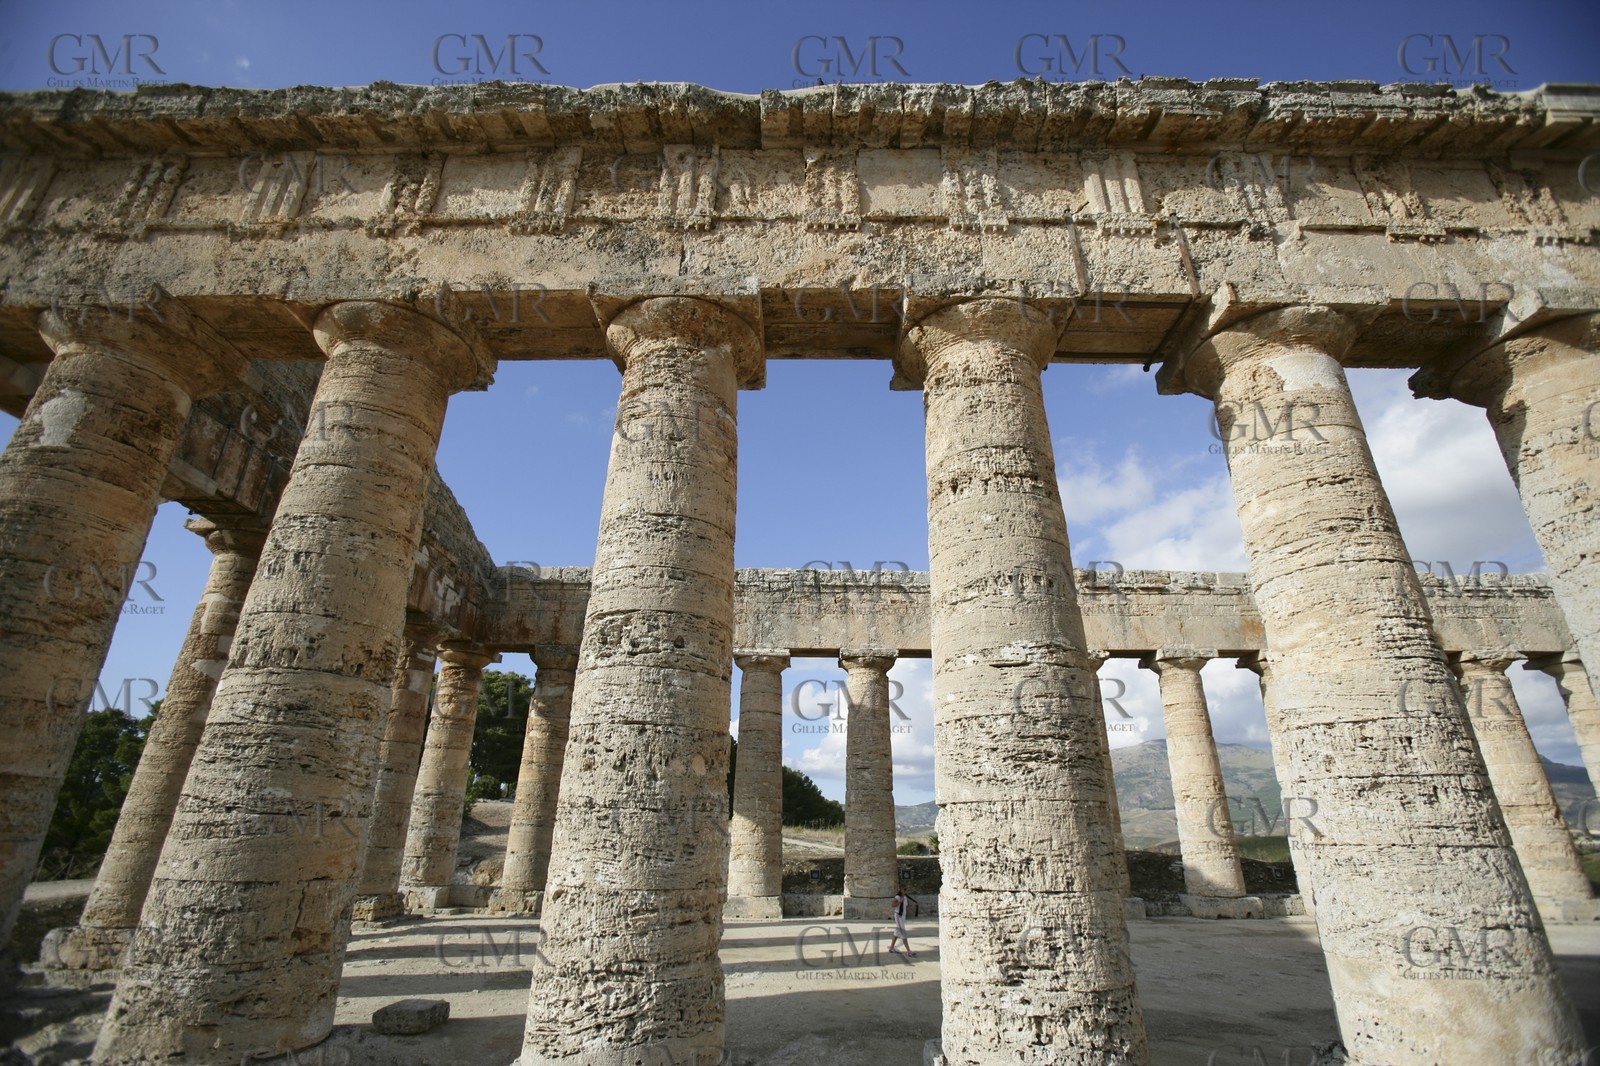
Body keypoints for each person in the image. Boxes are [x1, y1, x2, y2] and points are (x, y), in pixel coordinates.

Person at [889, 885, 915, 956]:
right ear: (901, 890)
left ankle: (891, 947)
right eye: (904, 889)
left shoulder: (905, 897)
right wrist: (899, 902)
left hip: (902, 916)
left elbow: (905, 906)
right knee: (903, 933)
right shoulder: (898, 897)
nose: (905, 891)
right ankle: (909, 951)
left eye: (906, 889)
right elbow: (893, 905)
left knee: (897, 932)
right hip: (898, 916)